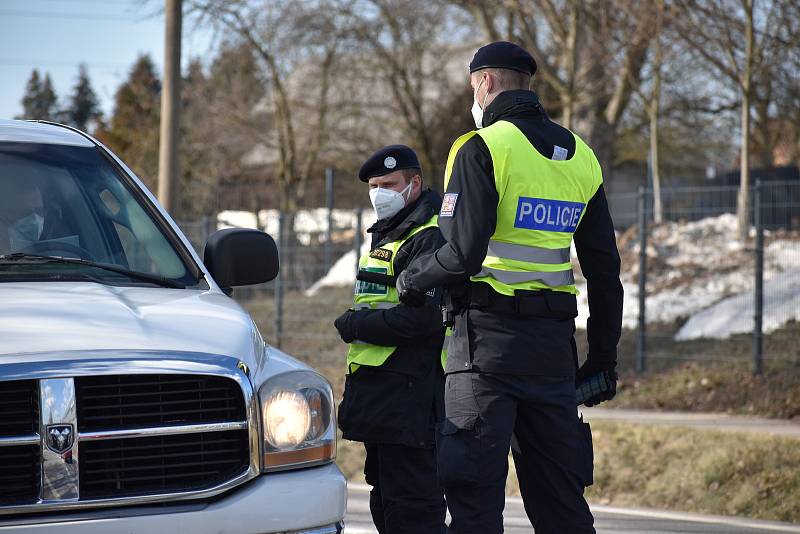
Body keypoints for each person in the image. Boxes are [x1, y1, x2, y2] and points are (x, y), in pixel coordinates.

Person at [397, 41, 624, 534]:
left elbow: (461, 255)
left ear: (486, 82)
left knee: (475, 503)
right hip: (553, 357)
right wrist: (602, 360)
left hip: (485, 354)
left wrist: (412, 277)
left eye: (472, 86)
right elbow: (605, 272)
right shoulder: (581, 157)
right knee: (562, 506)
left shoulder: (481, 147)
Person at [334, 145, 447, 534]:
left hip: (411, 395)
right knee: (386, 502)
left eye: (389, 184)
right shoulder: (390, 233)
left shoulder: (426, 236)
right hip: (384, 396)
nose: (379, 192)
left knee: (413, 508)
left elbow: (423, 319)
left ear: (414, 184)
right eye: (374, 185)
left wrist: (356, 325)